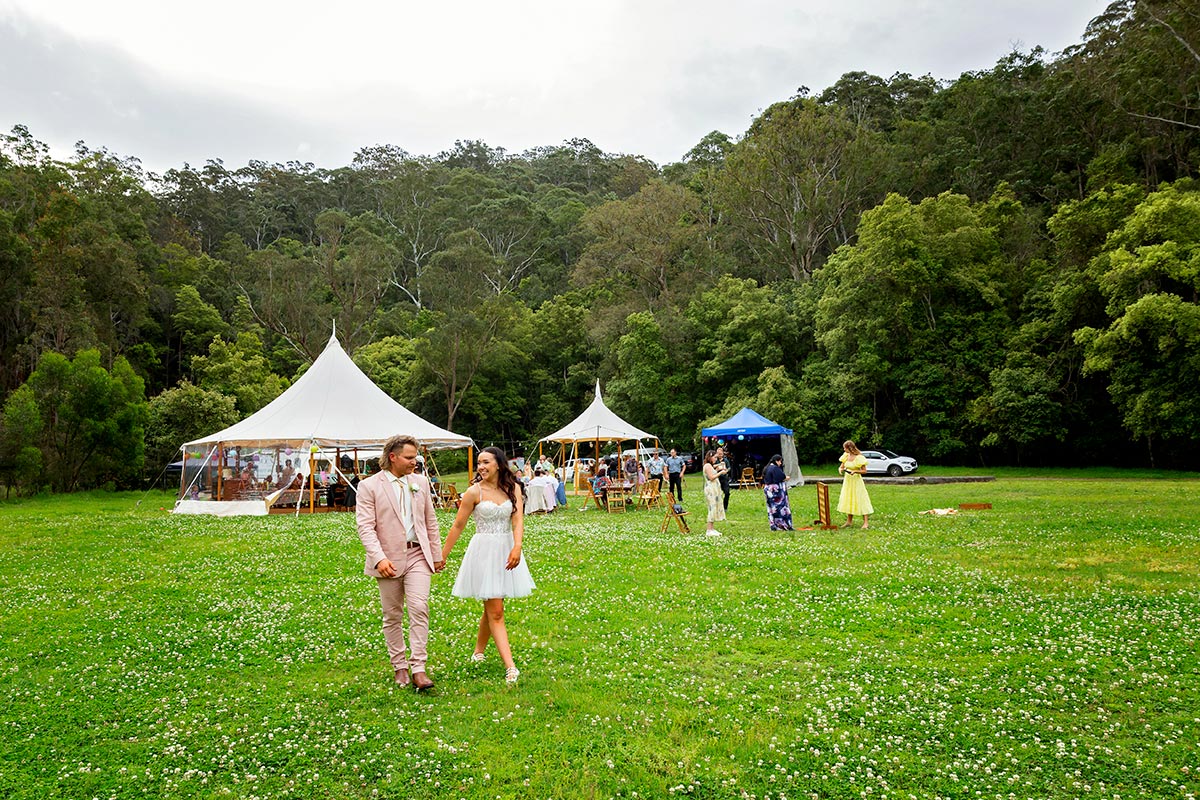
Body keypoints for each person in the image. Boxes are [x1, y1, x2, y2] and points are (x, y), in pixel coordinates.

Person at [439, 447, 535, 685]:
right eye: (479, 463)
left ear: (499, 465)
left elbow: (518, 519)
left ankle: (478, 652)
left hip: (506, 549)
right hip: (483, 552)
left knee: (492, 605)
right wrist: (441, 556)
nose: (481, 467)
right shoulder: (474, 492)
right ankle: (511, 667)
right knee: (496, 611)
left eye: (486, 463)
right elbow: (458, 526)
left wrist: (517, 547)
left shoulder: (513, 488)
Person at [355, 434, 443, 691]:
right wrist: (378, 558)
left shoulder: (421, 483)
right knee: (392, 614)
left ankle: (419, 668)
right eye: (409, 457)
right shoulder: (369, 486)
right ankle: (399, 666)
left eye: (415, 456)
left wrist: (436, 555)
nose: (414, 461)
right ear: (392, 457)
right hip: (388, 558)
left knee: (419, 606)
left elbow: (430, 521)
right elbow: (366, 527)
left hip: (418, 555)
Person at [837, 440, 874, 529]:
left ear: (849, 448)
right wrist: (840, 469)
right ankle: (849, 521)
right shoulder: (846, 456)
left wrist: (855, 471)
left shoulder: (859, 457)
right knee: (849, 499)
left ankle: (865, 523)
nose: (843, 449)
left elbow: (864, 471)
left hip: (856, 481)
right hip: (848, 481)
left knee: (861, 499)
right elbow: (842, 466)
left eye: (844, 448)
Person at [761, 454, 794, 531]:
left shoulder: (767, 468)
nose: (780, 463)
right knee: (780, 507)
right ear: (776, 461)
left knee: (771, 508)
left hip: (768, 490)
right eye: (780, 461)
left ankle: (773, 524)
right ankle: (783, 525)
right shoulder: (775, 468)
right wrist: (787, 478)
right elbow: (780, 477)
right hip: (776, 490)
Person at [702, 450, 727, 536]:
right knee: (712, 508)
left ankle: (712, 528)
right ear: (710, 457)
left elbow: (714, 469)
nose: (715, 459)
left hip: (714, 488)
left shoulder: (710, 466)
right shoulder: (707, 465)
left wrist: (718, 467)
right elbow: (711, 477)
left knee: (714, 507)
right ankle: (709, 529)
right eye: (715, 457)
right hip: (710, 489)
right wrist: (721, 472)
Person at [716, 446, 732, 511]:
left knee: (727, 493)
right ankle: (718, 506)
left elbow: (729, 467)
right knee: (717, 493)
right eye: (718, 454)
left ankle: (725, 507)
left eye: (721, 454)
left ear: (723, 454)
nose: (720, 455)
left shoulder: (725, 460)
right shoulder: (715, 460)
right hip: (717, 478)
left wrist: (726, 471)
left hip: (724, 478)